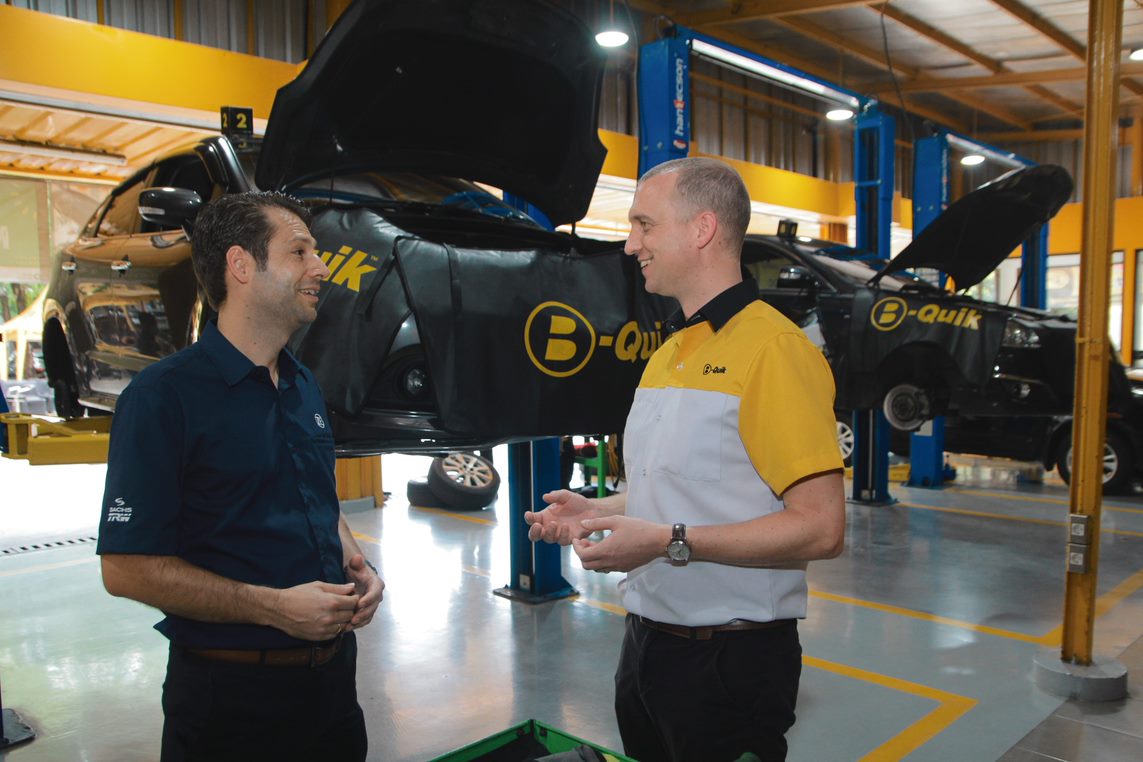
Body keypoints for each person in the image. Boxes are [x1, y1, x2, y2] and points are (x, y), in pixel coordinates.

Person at [525, 157, 845, 762]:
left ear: (701, 229)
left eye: (644, 225)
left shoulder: (776, 351)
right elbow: (683, 486)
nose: (630, 244)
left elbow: (821, 527)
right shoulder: (669, 350)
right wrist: (595, 511)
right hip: (646, 648)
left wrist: (667, 540)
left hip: (731, 664)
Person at [97, 191, 384, 762]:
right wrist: (274, 607)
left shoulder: (304, 385)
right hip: (228, 705)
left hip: (332, 691)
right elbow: (125, 569)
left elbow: (315, 498)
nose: (321, 268)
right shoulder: (162, 399)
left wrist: (357, 564)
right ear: (241, 265)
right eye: (300, 252)